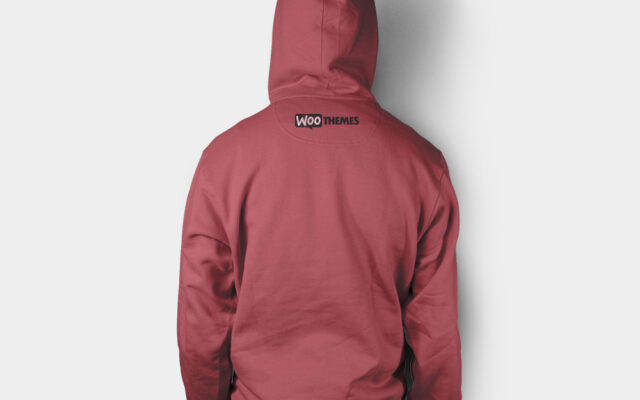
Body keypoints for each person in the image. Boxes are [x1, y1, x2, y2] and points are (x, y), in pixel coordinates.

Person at [177, 0, 462, 399]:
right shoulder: (422, 165)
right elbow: (436, 333)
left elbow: (202, 321)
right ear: (365, 32)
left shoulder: (224, 160)